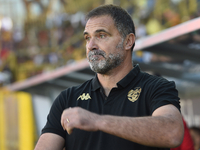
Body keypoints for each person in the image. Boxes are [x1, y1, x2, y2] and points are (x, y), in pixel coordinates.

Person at [34, 4, 184, 150]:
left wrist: (97, 121)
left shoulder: (156, 87)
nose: (91, 45)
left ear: (128, 41)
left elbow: (173, 133)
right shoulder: (68, 98)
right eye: (87, 38)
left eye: (101, 35)